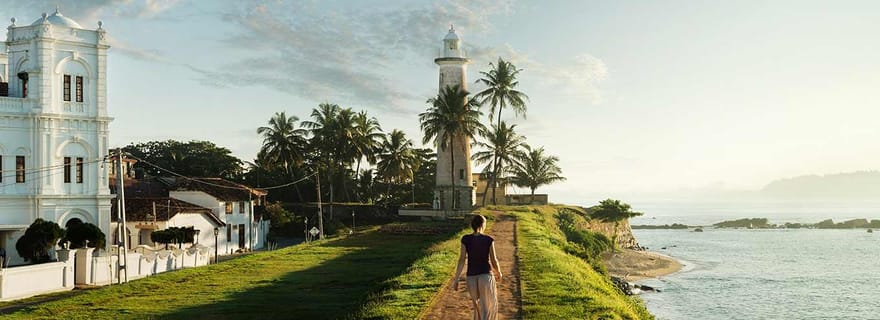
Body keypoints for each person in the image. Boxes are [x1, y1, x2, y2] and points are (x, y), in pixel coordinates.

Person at [452, 215, 502, 320]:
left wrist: (456, 279)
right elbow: (494, 260)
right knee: (487, 307)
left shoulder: (465, 239)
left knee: (477, 308)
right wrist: (499, 272)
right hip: (485, 275)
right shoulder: (489, 240)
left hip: (471, 277)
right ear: (483, 225)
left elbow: (461, 259)